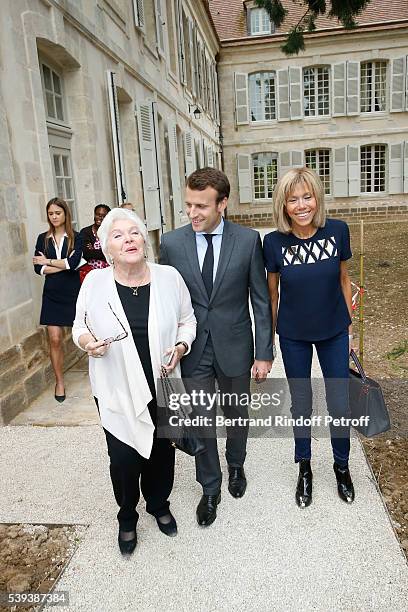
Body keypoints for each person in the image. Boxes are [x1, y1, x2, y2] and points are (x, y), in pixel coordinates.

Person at [72, 208, 196, 555]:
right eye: (118, 235)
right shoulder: (95, 283)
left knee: (161, 451)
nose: (128, 239)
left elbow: (188, 320)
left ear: (144, 240)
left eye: (134, 232)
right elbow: (79, 327)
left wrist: (182, 346)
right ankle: (127, 517)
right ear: (107, 248)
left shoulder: (169, 277)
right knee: (124, 458)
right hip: (116, 387)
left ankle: (158, 504)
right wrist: (87, 344)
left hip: (163, 385)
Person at [159, 167, 273, 527]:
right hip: (193, 350)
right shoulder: (172, 244)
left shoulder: (248, 240)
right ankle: (210, 487)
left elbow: (260, 299)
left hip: (236, 345)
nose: (193, 213)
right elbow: (165, 303)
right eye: (188, 205)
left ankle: (236, 464)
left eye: (202, 207)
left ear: (222, 204)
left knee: (237, 414)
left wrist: (264, 352)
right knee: (202, 419)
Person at [263, 167, 355, 508]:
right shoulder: (273, 243)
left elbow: (344, 279)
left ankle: (341, 466)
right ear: (284, 205)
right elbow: (272, 295)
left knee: (339, 403)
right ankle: (305, 467)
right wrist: (268, 342)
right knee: (301, 404)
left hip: (333, 331)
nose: (302, 205)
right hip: (294, 336)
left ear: (317, 198)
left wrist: (350, 330)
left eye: (307, 196)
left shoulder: (337, 232)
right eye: (293, 199)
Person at [33, 197, 83, 402]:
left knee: (86, 335)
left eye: (57, 213)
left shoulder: (76, 237)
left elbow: (74, 264)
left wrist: (49, 262)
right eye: (51, 213)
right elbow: (38, 268)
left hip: (73, 293)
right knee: (54, 339)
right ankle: (59, 381)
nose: (54, 217)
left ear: (65, 214)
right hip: (52, 294)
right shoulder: (42, 239)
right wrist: (62, 264)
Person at [79, 204, 111, 281]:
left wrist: (93, 251)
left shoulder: (111, 232)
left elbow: (113, 254)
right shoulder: (85, 232)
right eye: (98, 214)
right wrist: (105, 252)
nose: (100, 217)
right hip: (90, 273)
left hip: (109, 273)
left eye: (104, 216)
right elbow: (86, 254)